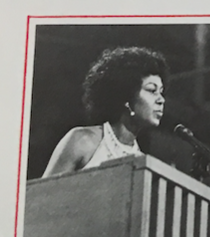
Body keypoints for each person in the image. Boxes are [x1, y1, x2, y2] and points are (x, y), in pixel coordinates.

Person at [42, 46, 169, 177]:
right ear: (126, 96)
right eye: (151, 90)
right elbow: (43, 194)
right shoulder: (83, 141)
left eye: (161, 92)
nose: (161, 100)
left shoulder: (142, 164)